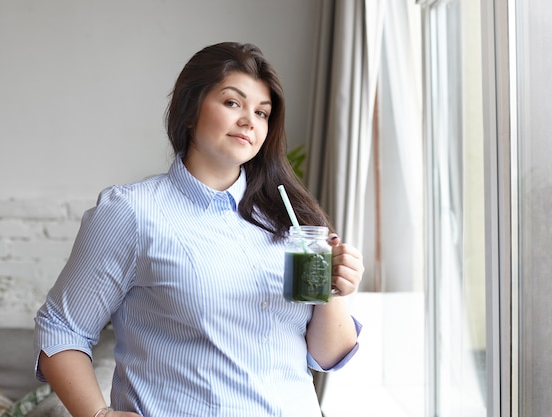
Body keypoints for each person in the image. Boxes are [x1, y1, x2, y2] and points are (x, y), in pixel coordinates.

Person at [33, 41, 364, 417]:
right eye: (232, 103)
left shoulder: (290, 221)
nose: (249, 121)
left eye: (262, 112)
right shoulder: (132, 212)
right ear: (190, 110)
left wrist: (335, 290)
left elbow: (328, 355)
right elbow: (61, 327)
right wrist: (97, 414)